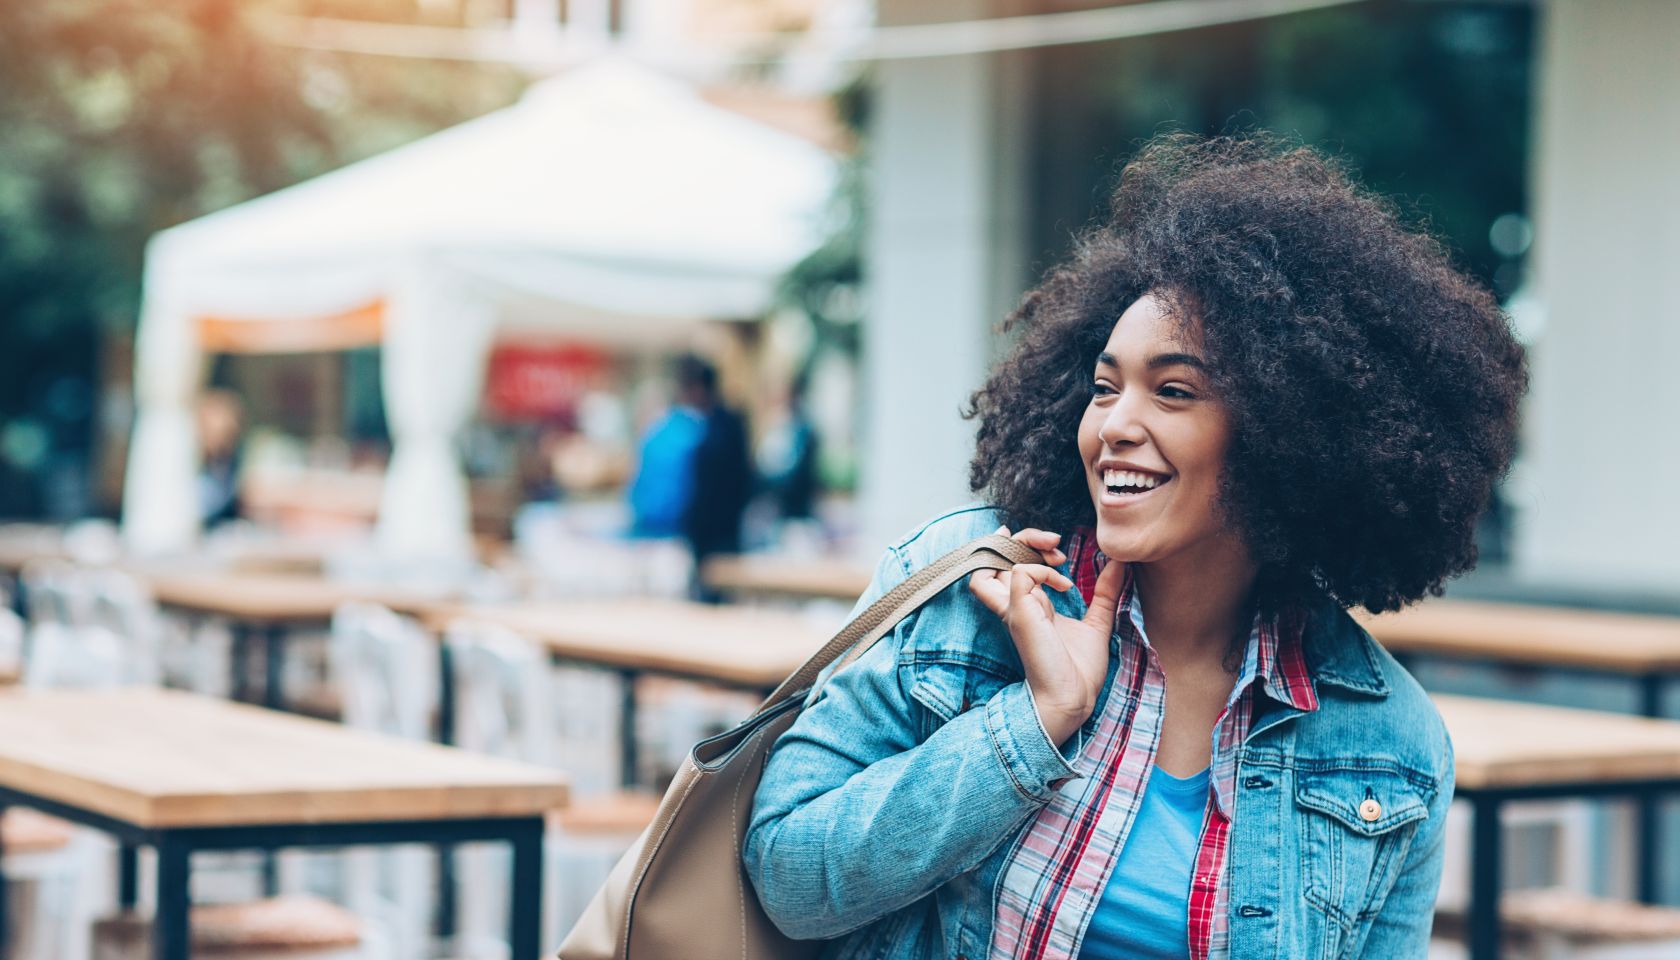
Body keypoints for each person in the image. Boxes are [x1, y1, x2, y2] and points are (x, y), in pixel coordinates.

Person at [743, 133, 1527, 960]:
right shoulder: (963, 595)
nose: (1116, 424)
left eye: (1175, 391)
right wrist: (1034, 724)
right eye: (1106, 387)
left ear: (1290, 435)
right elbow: (787, 874)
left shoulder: (1391, 744)